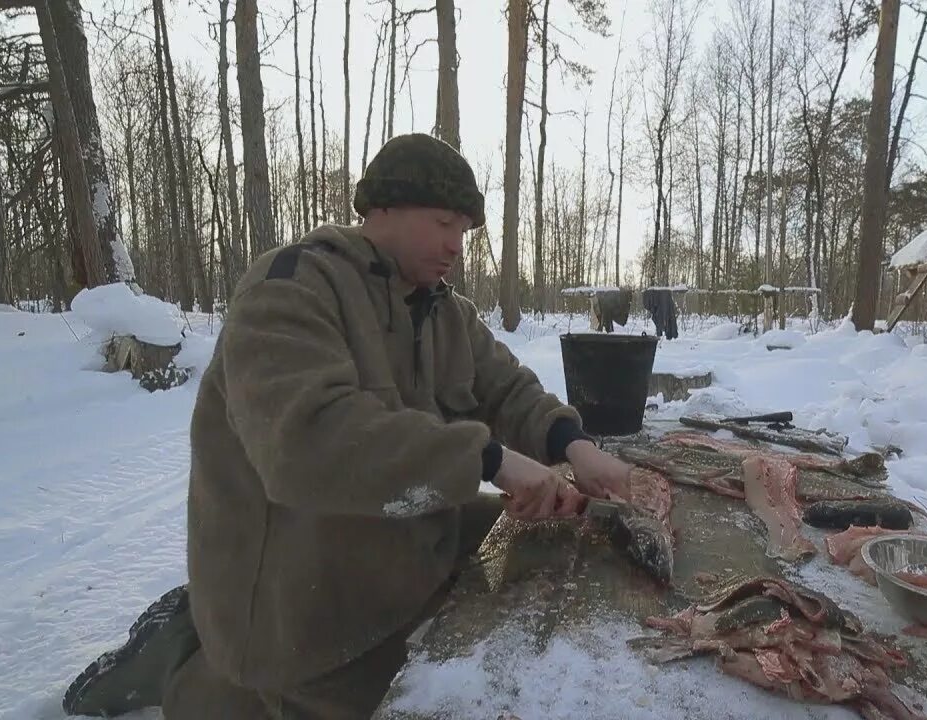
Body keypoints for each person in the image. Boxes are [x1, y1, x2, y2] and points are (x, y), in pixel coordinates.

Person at [61, 133, 633, 719]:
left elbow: (509, 390)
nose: (456, 246)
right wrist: (491, 460)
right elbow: (307, 442)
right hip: (300, 599)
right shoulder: (288, 289)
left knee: (564, 531)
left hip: (400, 549)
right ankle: (184, 663)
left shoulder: (445, 309)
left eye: (463, 231)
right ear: (380, 208)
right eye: (442, 223)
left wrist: (575, 448)